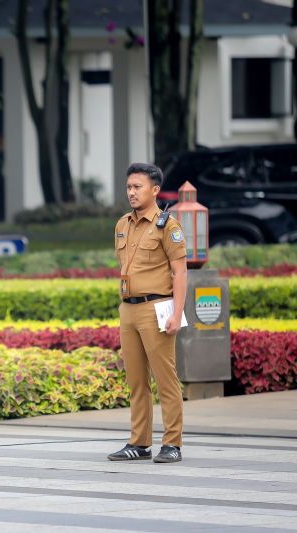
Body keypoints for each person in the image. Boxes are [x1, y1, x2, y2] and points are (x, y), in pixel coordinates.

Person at [108, 163, 187, 464]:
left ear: (154, 190)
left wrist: (176, 313)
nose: (131, 192)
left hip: (157, 308)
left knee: (166, 378)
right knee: (136, 381)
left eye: (137, 187)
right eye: (128, 187)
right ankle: (139, 442)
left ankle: (172, 443)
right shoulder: (122, 225)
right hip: (128, 309)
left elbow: (180, 273)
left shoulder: (169, 226)